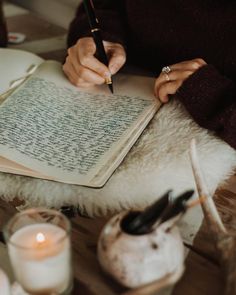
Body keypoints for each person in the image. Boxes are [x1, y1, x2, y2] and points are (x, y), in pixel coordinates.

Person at [63, 1, 236, 150]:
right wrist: (101, 38)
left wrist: (214, 95)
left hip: (203, 148)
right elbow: (107, 5)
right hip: (114, 91)